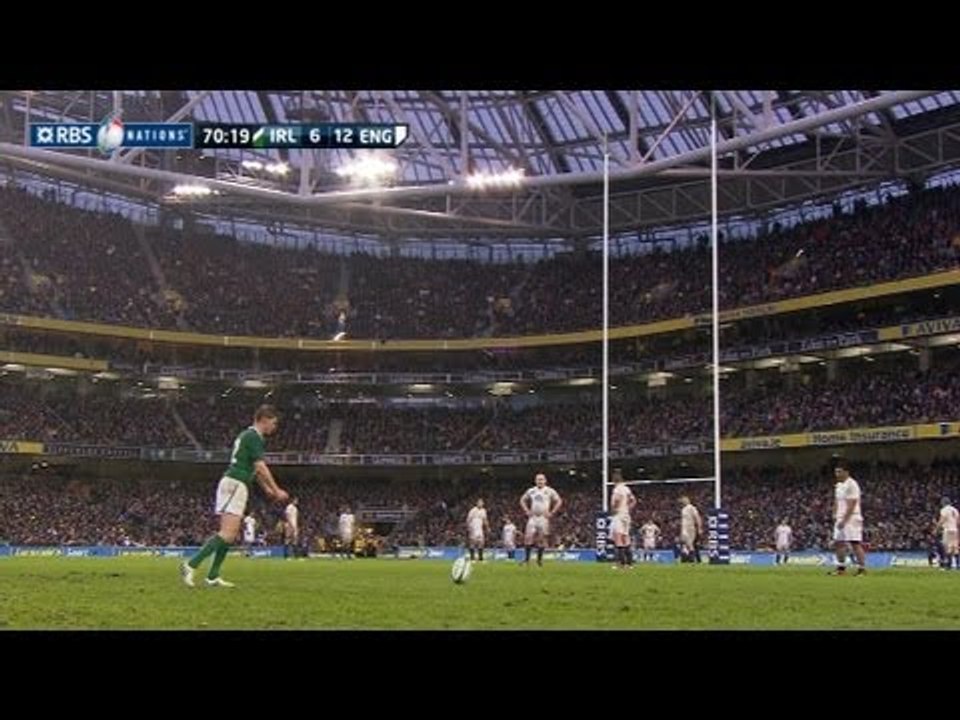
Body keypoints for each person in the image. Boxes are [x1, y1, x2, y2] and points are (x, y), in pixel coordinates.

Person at [180, 405, 288, 588]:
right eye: (274, 422)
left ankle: (212, 576)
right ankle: (191, 564)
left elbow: (254, 468)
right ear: (265, 419)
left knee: (229, 534)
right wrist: (276, 489)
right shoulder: (254, 437)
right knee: (228, 533)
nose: (274, 427)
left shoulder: (247, 435)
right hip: (236, 484)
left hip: (233, 482)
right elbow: (261, 466)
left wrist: (267, 489)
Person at [830, 458, 866, 576]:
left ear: (846, 472)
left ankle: (862, 569)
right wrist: (835, 513)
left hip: (852, 518)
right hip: (840, 517)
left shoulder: (852, 484)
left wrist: (845, 520)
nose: (837, 474)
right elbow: (837, 501)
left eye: (839, 472)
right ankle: (841, 568)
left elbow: (852, 504)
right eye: (836, 472)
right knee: (838, 543)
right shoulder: (839, 485)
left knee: (855, 543)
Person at [520, 472, 562, 567]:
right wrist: (527, 511)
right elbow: (522, 500)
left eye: (542, 479)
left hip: (543, 517)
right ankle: (527, 560)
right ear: (535, 481)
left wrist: (552, 512)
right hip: (533, 517)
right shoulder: (531, 491)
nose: (540, 481)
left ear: (545, 481)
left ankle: (539, 561)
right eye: (538, 479)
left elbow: (559, 501)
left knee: (541, 538)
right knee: (528, 537)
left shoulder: (549, 491)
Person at [609, 469, 636, 569]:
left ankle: (621, 563)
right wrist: (628, 508)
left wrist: (614, 508)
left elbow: (616, 500)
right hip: (626, 514)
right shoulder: (626, 488)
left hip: (619, 514)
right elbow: (633, 500)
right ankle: (629, 563)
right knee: (626, 537)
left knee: (618, 538)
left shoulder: (617, 489)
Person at [935, 496, 959, 570]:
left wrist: (937, 528)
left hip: (948, 530)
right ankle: (957, 565)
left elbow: (942, 519)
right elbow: (958, 521)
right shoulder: (955, 510)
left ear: (943, 503)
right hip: (955, 530)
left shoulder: (944, 510)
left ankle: (948, 566)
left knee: (947, 547)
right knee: (955, 548)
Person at [678, 496, 702, 563]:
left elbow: (697, 517)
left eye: (684, 500)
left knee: (689, 543)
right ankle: (686, 557)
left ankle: (691, 557)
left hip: (690, 528)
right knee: (684, 542)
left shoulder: (691, 508)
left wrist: (699, 528)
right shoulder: (683, 509)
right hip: (684, 528)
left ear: (688, 500)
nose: (683, 501)